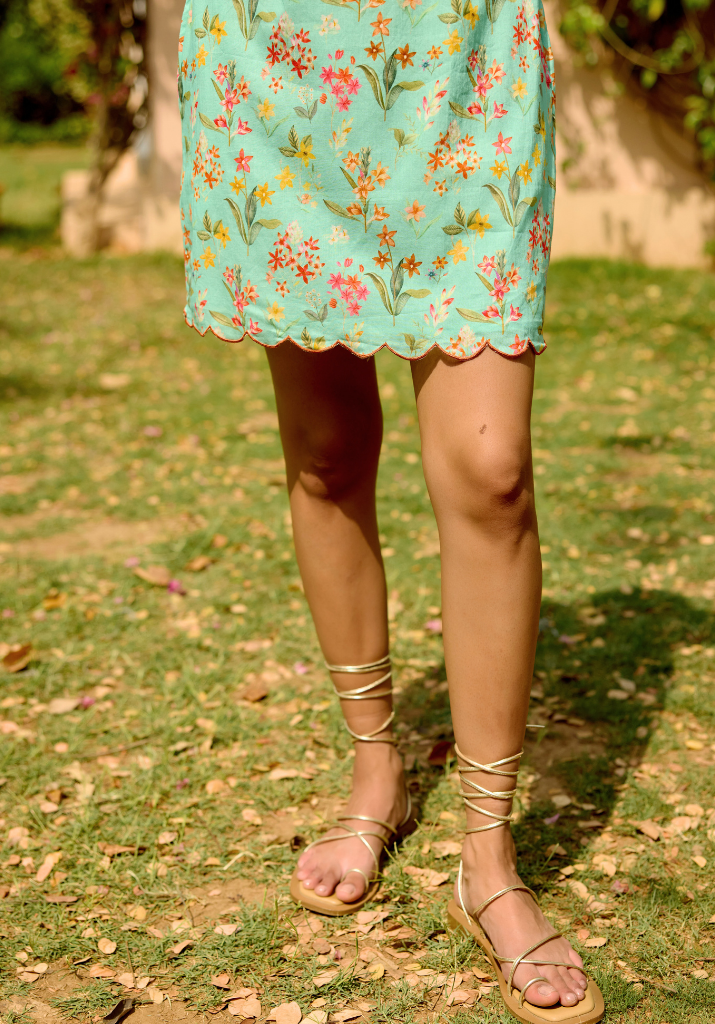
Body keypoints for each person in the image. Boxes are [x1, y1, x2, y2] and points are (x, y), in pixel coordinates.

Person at [177, 0, 603, 1018]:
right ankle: (378, 768)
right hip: (281, 55)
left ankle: (488, 856)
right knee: (326, 453)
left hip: (461, 52)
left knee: (492, 471)